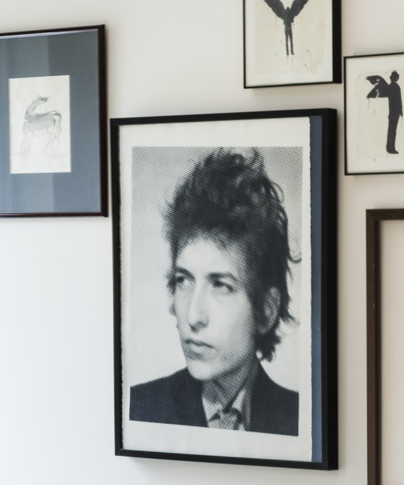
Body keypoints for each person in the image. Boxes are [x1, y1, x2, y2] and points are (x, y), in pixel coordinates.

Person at [127, 148, 299, 434]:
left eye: (220, 285)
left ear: (266, 311)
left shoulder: (301, 422)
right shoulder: (137, 411)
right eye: (183, 280)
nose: (193, 316)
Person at [364, 67, 404, 157]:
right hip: (395, 112)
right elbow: (398, 100)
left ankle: (389, 148)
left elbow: (398, 100)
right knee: (392, 130)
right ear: (396, 78)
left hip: (393, 112)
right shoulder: (395, 87)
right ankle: (390, 148)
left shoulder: (391, 87)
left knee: (391, 129)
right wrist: (400, 110)